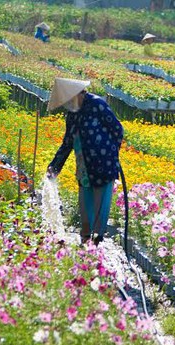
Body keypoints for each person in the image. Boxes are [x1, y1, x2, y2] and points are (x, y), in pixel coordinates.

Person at [46, 78, 124, 246]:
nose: (68, 104)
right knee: (84, 203)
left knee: (99, 203)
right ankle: (85, 237)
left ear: (79, 94)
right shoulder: (73, 113)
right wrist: (55, 166)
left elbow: (117, 129)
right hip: (83, 165)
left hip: (103, 164)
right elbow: (67, 142)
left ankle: (96, 240)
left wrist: (110, 153)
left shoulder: (97, 105)